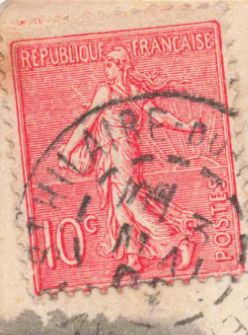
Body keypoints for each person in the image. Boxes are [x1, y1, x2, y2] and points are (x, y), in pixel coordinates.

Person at [61, 46, 202, 274]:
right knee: (120, 206)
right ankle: (132, 256)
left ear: (122, 66)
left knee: (132, 204)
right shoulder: (133, 90)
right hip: (115, 154)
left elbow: (87, 124)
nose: (107, 70)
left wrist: (68, 150)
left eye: (110, 65)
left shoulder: (106, 92)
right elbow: (158, 116)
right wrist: (185, 127)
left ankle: (179, 241)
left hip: (121, 155)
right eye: (105, 65)